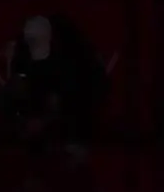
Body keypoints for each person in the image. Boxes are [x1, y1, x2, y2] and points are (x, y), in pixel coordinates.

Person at [8, 14, 104, 156]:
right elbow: (19, 81)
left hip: (76, 103)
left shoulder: (76, 57)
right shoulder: (24, 51)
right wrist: (24, 117)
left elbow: (85, 90)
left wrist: (48, 118)